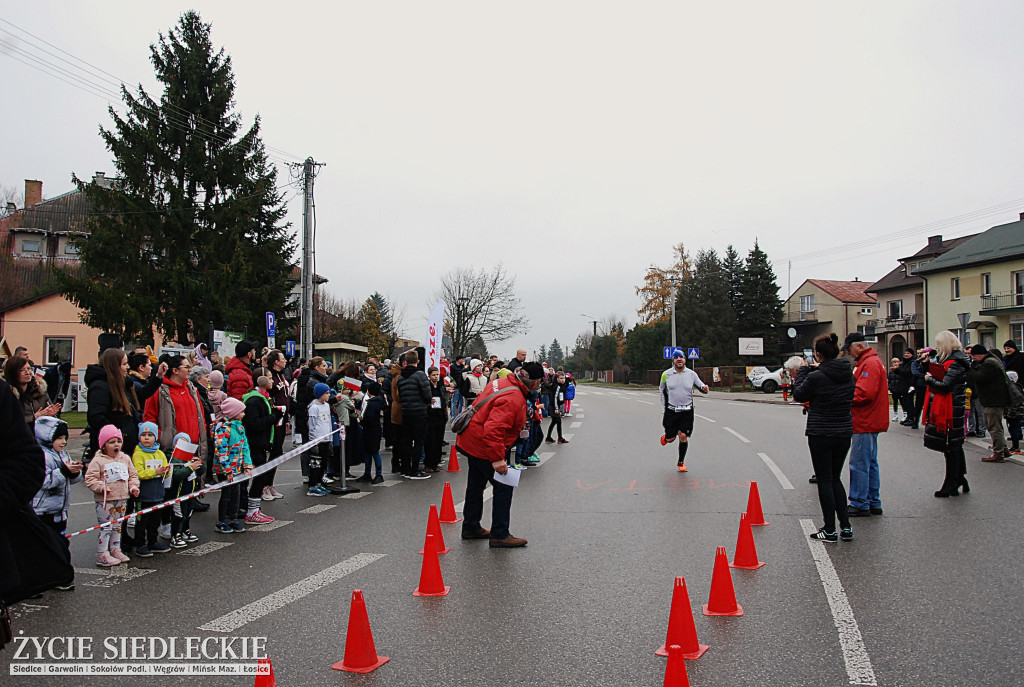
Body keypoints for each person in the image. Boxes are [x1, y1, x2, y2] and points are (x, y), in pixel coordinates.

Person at [457, 361, 545, 548]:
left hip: (473, 440)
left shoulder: (503, 382)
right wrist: (497, 459)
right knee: (504, 486)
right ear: (535, 383)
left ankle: (471, 526)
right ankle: (500, 533)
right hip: (484, 445)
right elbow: (494, 429)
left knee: (476, 485)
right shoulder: (514, 397)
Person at [793, 333, 855, 542]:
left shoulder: (816, 377)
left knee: (824, 480)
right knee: (835, 477)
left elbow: (799, 394)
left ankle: (829, 529)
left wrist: (802, 370)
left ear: (818, 355)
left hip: (821, 432)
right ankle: (845, 526)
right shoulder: (848, 373)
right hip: (844, 431)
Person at [842, 332, 889, 517]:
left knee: (859, 462)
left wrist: (843, 398)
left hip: (865, 420)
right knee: (869, 462)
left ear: (859, 346)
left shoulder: (869, 364)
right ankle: (872, 500)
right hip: (870, 420)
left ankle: (860, 502)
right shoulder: (870, 362)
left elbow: (864, 394)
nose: (849, 354)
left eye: (850, 350)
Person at [921, 331, 970, 496]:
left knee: (951, 446)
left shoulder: (955, 362)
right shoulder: (951, 360)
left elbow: (945, 384)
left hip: (951, 408)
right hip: (950, 407)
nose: (937, 347)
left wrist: (929, 379)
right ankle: (959, 479)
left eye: (939, 344)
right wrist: (926, 367)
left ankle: (952, 482)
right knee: (954, 445)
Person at [84, 425, 140, 567]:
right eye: (111, 442)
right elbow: (90, 479)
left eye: (118, 441)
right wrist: (100, 487)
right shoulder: (98, 461)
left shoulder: (125, 458)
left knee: (118, 526)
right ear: (103, 445)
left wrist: (133, 487)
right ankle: (102, 553)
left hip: (122, 498)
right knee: (106, 527)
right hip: (105, 501)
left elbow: (133, 475)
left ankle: (115, 549)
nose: (116, 445)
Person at [144, 355, 210, 471]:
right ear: (175, 370)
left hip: (194, 447)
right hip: (172, 449)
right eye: (186, 367)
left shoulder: (192, 390)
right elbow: (149, 419)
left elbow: (201, 415)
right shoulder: (159, 391)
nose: (190, 370)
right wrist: (162, 437)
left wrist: (202, 433)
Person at [31, 416, 83, 544]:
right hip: (43, 511)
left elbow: (71, 480)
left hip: (61, 509)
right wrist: (64, 471)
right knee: (44, 544)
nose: (64, 442)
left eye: (65, 438)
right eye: (59, 438)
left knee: (60, 542)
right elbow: (44, 482)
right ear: (47, 438)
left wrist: (75, 472)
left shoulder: (63, 454)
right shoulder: (42, 456)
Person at [86, 348, 143, 459]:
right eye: (124, 364)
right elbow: (96, 416)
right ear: (114, 366)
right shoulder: (100, 387)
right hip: (110, 449)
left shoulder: (120, 384)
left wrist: (158, 377)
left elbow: (142, 395)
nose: (128, 367)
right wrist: (115, 435)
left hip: (124, 447)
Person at [658, 351, 709, 472]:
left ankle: (681, 462)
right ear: (673, 361)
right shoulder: (666, 374)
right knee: (671, 439)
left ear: (685, 360)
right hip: (672, 411)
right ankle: (667, 437)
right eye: (676, 358)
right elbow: (661, 390)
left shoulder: (691, 374)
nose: (679, 359)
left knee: (683, 436)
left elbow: (701, 386)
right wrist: (665, 406)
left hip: (687, 411)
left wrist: (704, 388)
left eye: (681, 357)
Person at [130, 422, 172, 556]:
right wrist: (155, 472)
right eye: (143, 435)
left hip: (157, 494)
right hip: (144, 495)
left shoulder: (160, 453)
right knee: (142, 521)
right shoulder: (138, 454)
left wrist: (167, 471)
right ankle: (140, 543)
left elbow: (166, 473)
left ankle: (153, 541)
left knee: (155, 521)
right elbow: (139, 473)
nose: (146, 438)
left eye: (150, 435)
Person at [242, 375, 280, 524]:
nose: (272, 381)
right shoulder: (254, 400)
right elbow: (254, 423)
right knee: (258, 477)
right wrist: (273, 417)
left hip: (261, 443)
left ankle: (255, 509)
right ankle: (251, 511)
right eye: (269, 378)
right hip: (254, 444)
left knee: (261, 477)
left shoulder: (264, 398)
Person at [213, 397, 252, 532]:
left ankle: (233, 519)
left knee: (236, 494)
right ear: (233, 413)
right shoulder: (223, 429)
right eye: (241, 412)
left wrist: (247, 464)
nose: (243, 414)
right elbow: (220, 450)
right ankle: (221, 520)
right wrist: (227, 470)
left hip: (238, 468)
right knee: (226, 494)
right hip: (226, 470)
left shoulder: (239, 427)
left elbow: (245, 447)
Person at [966, 344, 1011, 462]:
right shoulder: (990, 361)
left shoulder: (989, 364)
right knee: (995, 426)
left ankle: (998, 454)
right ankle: (1003, 450)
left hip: (994, 400)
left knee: (993, 427)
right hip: (993, 399)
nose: (973, 359)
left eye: (974, 356)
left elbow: (979, 377)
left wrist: (968, 369)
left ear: (980, 354)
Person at [397, 351, 432, 479]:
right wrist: (427, 401)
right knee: (418, 441)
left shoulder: (401, 377)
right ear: (417, 361)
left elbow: (400, 395)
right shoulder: (420, 375)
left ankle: (405, 468)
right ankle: (415, 469)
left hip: (406, 411)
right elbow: (427, 395)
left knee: (406, 440)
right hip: (419, 411)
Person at [3, 355, 58, 430]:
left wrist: (49, 415)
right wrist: (33, 418)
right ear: (13, 373)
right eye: (21, 370)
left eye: (29, 369)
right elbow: (7, 422)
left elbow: (51, 416)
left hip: (39, 437)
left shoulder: (39, 390)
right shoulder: (7, 394)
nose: (27, 372)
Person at [264, 350, 291, 499]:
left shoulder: (282, 376)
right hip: (274, 419)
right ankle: (263, 486)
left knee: (277, 454)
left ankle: (270, 484)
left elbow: (285, 398)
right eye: (282, 358)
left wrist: (286, 419)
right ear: (275, 361)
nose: (285, 361)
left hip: (282, 418)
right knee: (270, 452)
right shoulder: (269, 376)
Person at [306, 383, 333, 496]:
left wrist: (330, 439)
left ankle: (319, 482)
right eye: (326, 393)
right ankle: (313, 485)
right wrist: (313, 442)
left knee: (323, 463)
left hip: (326, 438)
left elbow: (329, 423)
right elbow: (311, 426)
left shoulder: (326, 406)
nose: (328, 395)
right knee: (316, 464)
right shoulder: (314, 408)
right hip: (318, 440)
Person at [358, 382, 386, 484]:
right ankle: (369, 473)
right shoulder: (380, 401)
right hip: (376, 428)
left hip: (370, 429)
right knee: (371, 451)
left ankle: (377, 474)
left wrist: (361, 421)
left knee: (372, 452)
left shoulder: (371, 403)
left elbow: (368, 418)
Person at [424, 366, 449, 472]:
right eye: (434, 375)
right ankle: (428, 463)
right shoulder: (427, 387)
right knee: (430, 441)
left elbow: (443, 399)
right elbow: (424, 399)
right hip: (430, 416)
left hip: (440, 416)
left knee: (438, 440)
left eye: (437, 375)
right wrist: (429, 402)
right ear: (429, 376)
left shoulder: (440, 386)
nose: (436, 377)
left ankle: (436, 462)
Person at [545, 371, 569, 443]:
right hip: (553, 406)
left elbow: (567, 384)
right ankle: (560, 438)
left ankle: (548, 437)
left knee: (554, 422)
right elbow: (555, 398)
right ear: (557, 379)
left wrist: (567, 379)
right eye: (561, 378)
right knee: (558, 421)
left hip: (556, 406)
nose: (563, 380)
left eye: (563, 378)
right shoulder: (557, 386)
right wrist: (556, 408)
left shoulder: (562, 385)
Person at [896, 349, 918, 427]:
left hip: (909, 385)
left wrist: (897, 370)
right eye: (905, 353)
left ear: (912, 354)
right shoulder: (904, 362)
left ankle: (912, 418)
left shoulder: (912, 362)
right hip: (902, 385)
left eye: (908, 353)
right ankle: (908, 417)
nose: (906, 355)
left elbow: (907, 372)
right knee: (904, 402)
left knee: (909, 402)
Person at [888, 357, 903, 422]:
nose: (894, 364)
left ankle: (905, 414)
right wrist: (890, 387)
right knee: (895, 402)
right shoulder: (891, 372)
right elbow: (889, 380)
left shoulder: (901, 370)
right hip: (893, 389)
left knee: (902, 402)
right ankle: (895, 415)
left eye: (896, 362)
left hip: (900, 388)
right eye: (893, 362)